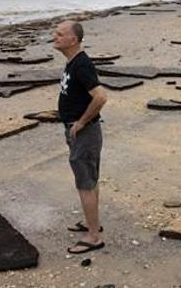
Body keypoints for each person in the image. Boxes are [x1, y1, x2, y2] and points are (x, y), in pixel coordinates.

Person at [52, 20, 108, 254]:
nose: (54, 36)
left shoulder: (81, 65)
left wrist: (82, 122)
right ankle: (91, 223)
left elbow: (101, 96)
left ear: (72, 40)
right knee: (90, 179)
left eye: (59, 33)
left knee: (85, 183)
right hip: (80, 131)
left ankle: (93, 236)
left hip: (84, 133)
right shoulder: (73, 62)